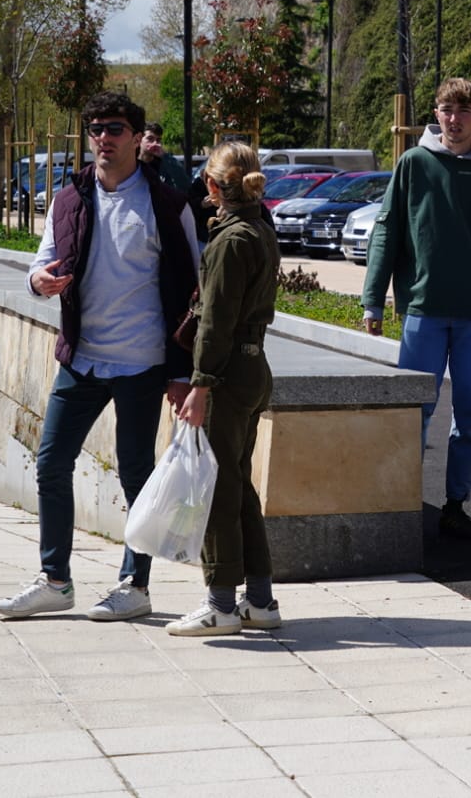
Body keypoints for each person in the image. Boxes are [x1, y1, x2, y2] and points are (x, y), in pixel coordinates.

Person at [0, 92, 201, 621]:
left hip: (142, 365)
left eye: (113, 129)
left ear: (136, 136)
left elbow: (191, 291)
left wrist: (182, 373)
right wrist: (39, 282)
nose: (103, 139)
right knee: (51, 463)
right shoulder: (69, 199)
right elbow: (40, 266)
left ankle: (135, 585)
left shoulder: (167, 205)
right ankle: (55, 580)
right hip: (81, 359)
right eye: (94, 130)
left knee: (136, 474)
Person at [362, 77, 471, 539]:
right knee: (416, 414)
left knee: (470, 416)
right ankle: (406, 499)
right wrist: (374, 297)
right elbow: (387, 231)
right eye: (447, 109)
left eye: (464, 110)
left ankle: (455, 503)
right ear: (436, 112)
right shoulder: (413, 163)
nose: (454, 119)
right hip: (423, 310)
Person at [167, 141, 283, 636]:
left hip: (229, 373)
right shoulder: (258, 228)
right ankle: (259, 600)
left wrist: (201, 384)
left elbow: (215, 322)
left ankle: (220, 604)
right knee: (236, 486)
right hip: (253, 368)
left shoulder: (231, 240)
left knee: (216, 488)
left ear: (213, 188)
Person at [140, 121, 194, 194]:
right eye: (150, 138)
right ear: (139, 139)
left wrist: (165, 157)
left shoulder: (164, 163)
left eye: (158, 140)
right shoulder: (131, 163)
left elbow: (185, 185)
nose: (155, 143)